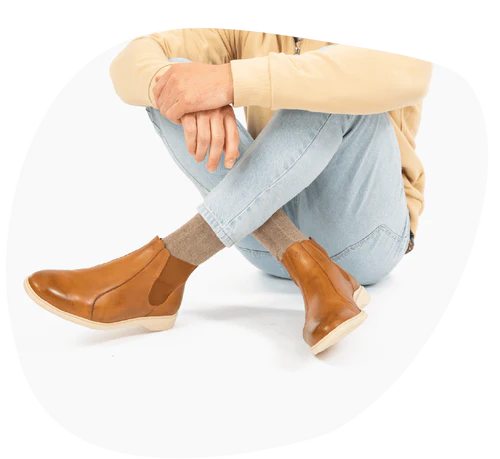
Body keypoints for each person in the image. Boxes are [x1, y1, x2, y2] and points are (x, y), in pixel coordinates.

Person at [24, 27, 433, 356]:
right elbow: (130, 62)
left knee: (335, 81)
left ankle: (166, 270)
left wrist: (229, 82)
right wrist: (196, 90)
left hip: (366, 241)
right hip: (264, 245)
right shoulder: (246, 30)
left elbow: (411, 71)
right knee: (173, 79)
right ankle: (314, 272)